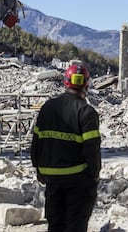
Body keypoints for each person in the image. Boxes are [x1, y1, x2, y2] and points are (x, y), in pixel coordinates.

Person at [31, 63, 101, 232]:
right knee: (75, 225)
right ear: (86, 84)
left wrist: (38, 169)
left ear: (65, 83)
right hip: (78, 180)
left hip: (53, 180)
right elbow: (92, 149)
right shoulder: (86, 112)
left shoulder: (47, 108)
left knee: (55, 225)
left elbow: (36, 142)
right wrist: (94, 175)